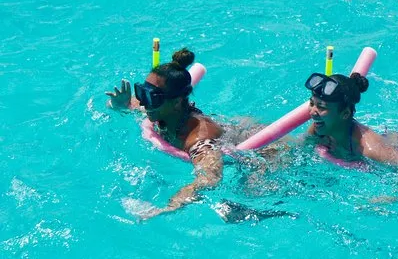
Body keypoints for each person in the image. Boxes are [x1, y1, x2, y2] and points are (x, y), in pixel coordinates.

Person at [106, 48, 288, 221]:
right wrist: (121, 104)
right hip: (236, 128)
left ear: (177, 102)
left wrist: (169, 207)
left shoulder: (198, 139)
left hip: (268, 150)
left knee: (249, 196)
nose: (143, 102)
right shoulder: (160, 108)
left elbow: (210, 179)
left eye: (151, 97)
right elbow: (126, 105)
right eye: (141, 92)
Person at [304, 72, 398, 202]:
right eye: (312, 103)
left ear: (345, 114)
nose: (312, 112)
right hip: (389, 138)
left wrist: (388, 200)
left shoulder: (371, 149)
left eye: (321, 107)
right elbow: (300, 146)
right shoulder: (319, 127)